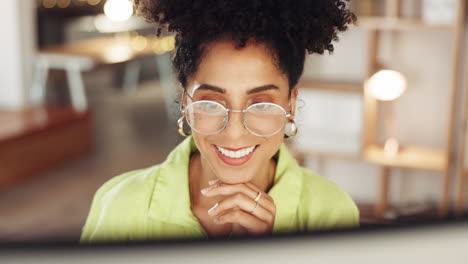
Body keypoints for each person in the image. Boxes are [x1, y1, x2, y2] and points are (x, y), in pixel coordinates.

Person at [80, 0, 359, 242]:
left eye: (260, 104)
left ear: (291, 104)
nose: (234, 133)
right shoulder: (120, 205)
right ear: (186, 101)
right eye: (211, 103)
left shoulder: (331, 212)